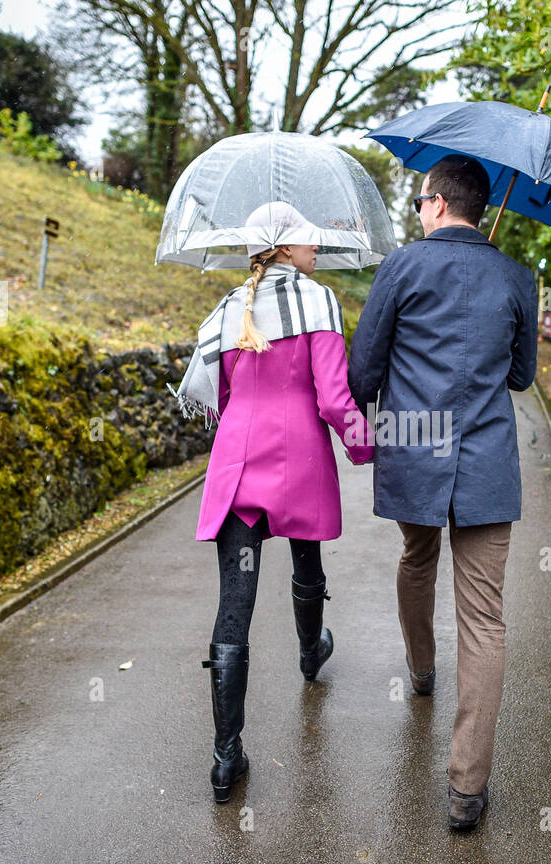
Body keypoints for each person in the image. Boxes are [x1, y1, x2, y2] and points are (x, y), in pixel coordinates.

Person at [347, 155, 537, 830]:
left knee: (416, 559)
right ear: (479, 209)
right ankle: (466, 790)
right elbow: (520, 376)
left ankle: (421, 667)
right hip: (486, 465)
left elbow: (363, 365)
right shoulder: (518, 276)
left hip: (414, 455)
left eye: (420, 201)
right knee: (485, 619)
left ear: (434, 204)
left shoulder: (401, 266)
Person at [170, 200, 373, 803]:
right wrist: (369, 450)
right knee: (307, 560)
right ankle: (311, 653)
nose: (318, 249)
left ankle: (225, 757)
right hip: (300, 458)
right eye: (309, 241)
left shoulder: (228, 310)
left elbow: (221, 394)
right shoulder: (318, 301)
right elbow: (335, 399)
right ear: (286, 247)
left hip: (237, 460)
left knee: (236, 601)